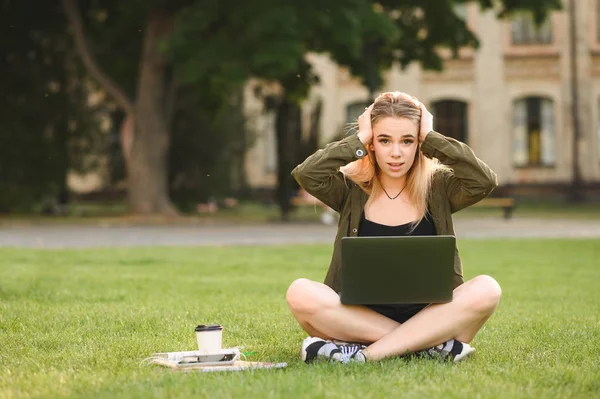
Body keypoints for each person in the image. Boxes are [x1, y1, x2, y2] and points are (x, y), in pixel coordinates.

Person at [286, 92, 501, 364]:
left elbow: (484, 181)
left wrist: (432, 138)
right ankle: (427, 346)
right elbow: (307, 174)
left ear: (419, 143)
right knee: (300, 292)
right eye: (384, 140)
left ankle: (364, 354)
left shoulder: (439, 187)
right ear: (372, 143)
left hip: (434, 316)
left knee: (487, 289)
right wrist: (358, 139)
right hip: (359, 319)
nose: (396, 153)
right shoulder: (350, 188)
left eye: (408, 141)